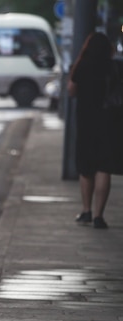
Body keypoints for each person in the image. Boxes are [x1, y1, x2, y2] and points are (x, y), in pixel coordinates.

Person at [67, 32, 118, 229]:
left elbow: (71, 91)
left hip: (86, 120)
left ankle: (86, 211)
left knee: (86, 166)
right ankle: (99, 216)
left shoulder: (82, 65)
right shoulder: (112, 67)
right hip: (108, 121)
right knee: (103, 167)